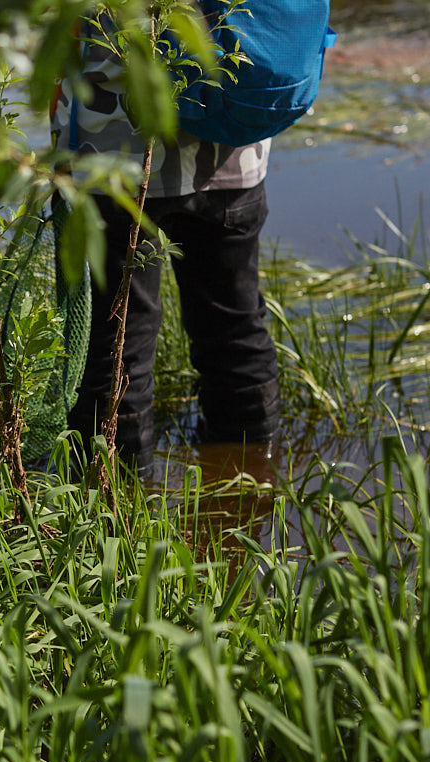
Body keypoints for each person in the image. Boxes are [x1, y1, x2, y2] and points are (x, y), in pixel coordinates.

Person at [52, 12, 280, 476]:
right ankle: (247, 491)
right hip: (232, 150)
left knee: (115, 346)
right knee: (235, 331)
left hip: (110, 155)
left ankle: (112, 518)